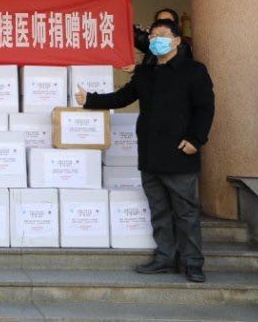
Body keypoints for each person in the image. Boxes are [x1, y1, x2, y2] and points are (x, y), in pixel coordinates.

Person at [75, 18, 214, 283]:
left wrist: (196, 139)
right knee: (159, 211)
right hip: (150, 153)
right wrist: (90, 99)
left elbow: (205, 108)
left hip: (180, 152)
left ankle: (193, 262)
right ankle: (165, 258)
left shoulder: (194, 71)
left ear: (176, 41)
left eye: (162, 35)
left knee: (186, 212)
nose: (155, 40)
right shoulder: (146, 73)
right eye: (152, 36)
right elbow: (122, 97)